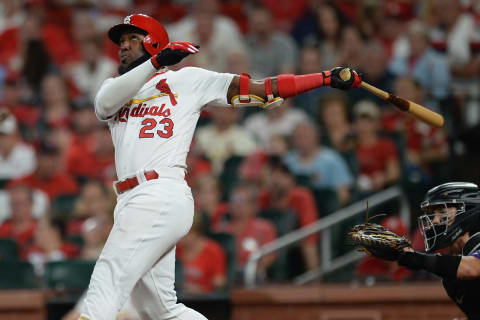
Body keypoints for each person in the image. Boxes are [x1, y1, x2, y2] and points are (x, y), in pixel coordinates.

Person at [81, 13, 361, 320]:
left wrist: (322, 78)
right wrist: (157, 61)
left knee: (108, 279)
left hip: (158, 192)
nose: (123, 46)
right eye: (121, 41)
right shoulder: (115, 87)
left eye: (132, 39)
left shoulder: (186, 79)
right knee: (160, 310)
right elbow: (104, 105)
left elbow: (262, 89)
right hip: (129, 201)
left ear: (153, 42)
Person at [382, 182, 480, 319]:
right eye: (434, 214)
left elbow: (473, 268)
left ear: (468, 211)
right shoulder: (452, 266)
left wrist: (418, 258)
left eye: (442, 212)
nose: (435, 221)